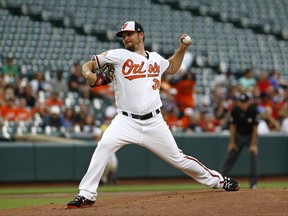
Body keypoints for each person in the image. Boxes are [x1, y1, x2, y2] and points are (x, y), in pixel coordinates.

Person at [67, 21, 240, 209]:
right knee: (104, 145)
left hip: (154, 122)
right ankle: (86, 194)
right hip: (125, 120)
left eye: (129, 34)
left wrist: (182, 49)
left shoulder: (156, 58)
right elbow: (90, 65)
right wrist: (87, 73)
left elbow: (172, 68)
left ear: (141, 35)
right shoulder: (118, 55)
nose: (125, 38)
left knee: (178, 159)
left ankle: (219, 181)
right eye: (123, 36)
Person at [220, 93, 259, 189]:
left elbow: (255, 128)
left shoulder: (253, 111)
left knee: (253, 156)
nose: (243, 104)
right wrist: (232, 142)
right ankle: (220, 180)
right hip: (238, 136)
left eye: (245, 102)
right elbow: (232, 126)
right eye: (241, 102)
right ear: (239, 103)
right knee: (230, 156)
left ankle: (253, 184)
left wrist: (253, 144)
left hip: (250, 136)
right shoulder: (235, 111)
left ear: (248, 102)